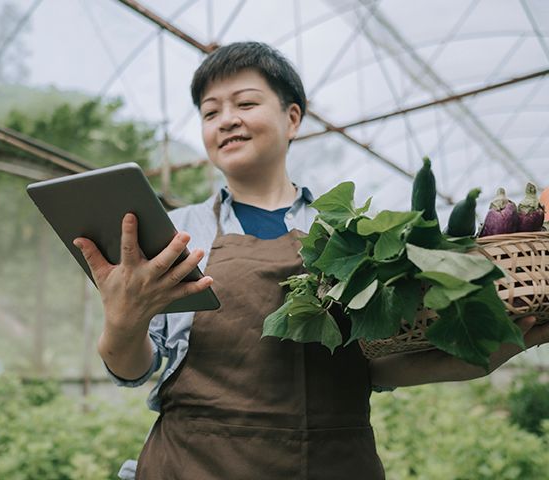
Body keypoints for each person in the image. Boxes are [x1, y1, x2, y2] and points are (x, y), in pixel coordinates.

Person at [73, 42, 549, 480]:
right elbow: (133, 369)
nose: (226, 120)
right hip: (193, 463)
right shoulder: (175, 231)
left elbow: (373, 368)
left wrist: (483, 357)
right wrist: (122, 321)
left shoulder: (354, 232)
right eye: (210, 112)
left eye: (245, 103)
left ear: (292, 118)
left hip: (332, 463)